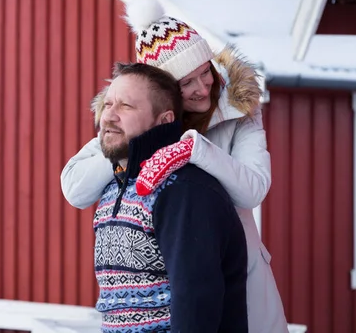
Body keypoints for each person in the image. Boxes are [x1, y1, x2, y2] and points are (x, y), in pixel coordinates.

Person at [61, 0, 288, 333]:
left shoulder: (240, 112)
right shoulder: (134, 118)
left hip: (240, 278)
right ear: (165, 94)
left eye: (205, 72)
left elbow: (251, 190)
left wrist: (194, 148)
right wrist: (134, 146)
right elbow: (75, 188)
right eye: (186, 82)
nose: (203, 88)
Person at [93, 61, 248, 333]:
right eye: (107, 104)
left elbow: (196, 305)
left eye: (126, 106)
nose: (109, 116)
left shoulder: (184, 189)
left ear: (164, 120)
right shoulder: (113, 188)